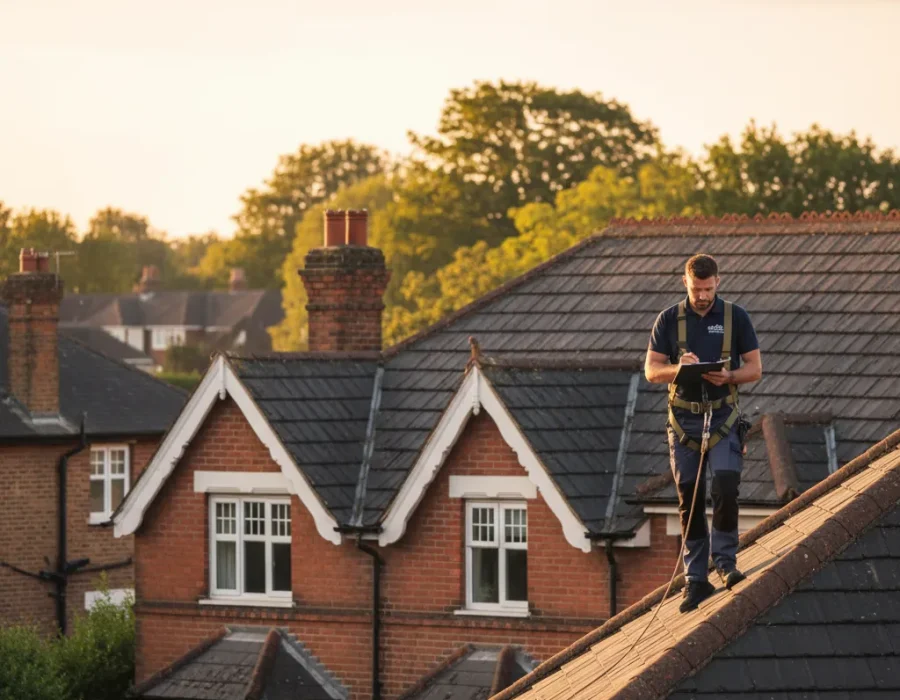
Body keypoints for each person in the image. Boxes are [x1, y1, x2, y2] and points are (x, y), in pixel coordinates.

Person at [645, 253, 762, 612]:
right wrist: (679, 368)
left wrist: (728, 376)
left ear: (718, 283)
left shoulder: (735, 317)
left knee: (726, 484)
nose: (702, 296)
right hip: (684, 421)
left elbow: (755, 368)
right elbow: (652, 370)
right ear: (685, 282)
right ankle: (696, 577)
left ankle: (725, 562)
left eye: (708, 289)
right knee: (689, 496)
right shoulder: (668, 320)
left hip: (723, 416)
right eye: (697, 289)